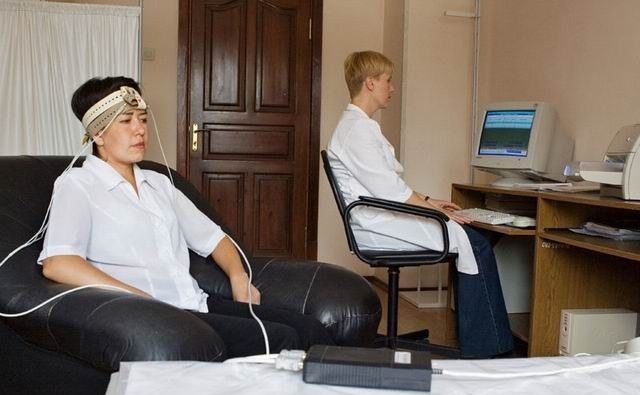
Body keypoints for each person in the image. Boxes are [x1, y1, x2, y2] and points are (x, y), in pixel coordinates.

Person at [38, 76, 332, 359]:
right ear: (98, 134)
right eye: (126, 121)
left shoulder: (158, 183)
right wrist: (137, 297)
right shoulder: (78, 184)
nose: (140, 130)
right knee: (283, 340)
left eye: (143, 119)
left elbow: (215, 238)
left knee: (311, 330)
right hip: (158, 318)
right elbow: (59, 263)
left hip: (197, 304)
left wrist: (238, 277)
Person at [327, 51, 513, 358]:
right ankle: (490, 352)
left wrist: (428, 200)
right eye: (388, 80)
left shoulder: (358, 125)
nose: (392, 88)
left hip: (379, 217)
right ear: (370, 83)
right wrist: (435, 211)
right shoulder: (357, 129)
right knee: (476, 243)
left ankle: (483, 340)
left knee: (472, 239)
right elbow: (389, 191)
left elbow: (387, 184)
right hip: (377, 225)